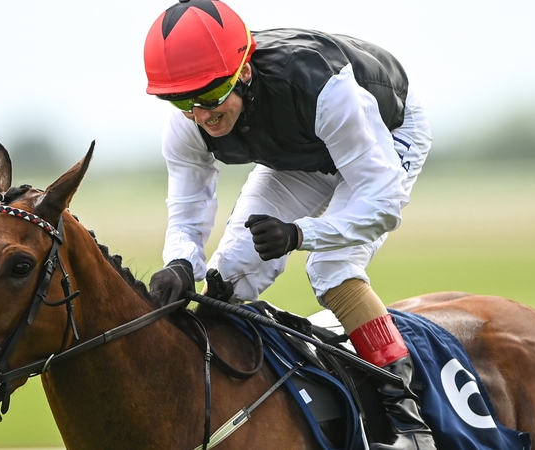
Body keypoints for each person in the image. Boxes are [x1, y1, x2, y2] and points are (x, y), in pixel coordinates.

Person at [143, 1, 434, 449]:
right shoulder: (187, 124)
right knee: (230, 275)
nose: (201, 114)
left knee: (331, 268)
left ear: (243, 71)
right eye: (183, 101)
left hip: (382, 134)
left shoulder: (325, 89)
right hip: (302, 152)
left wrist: (300, 235)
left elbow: (383, 203)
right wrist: (182, 263)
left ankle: (406, 414)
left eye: (212, 95)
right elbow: (187, 207)